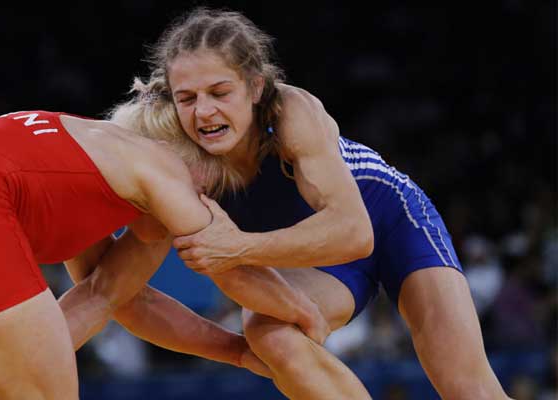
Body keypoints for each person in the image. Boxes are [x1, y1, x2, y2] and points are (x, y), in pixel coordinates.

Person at [122, 7, 510, 399]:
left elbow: (355, 234)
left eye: (220, 93)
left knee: (468, 388)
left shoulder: (290, 113)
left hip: (391, 222)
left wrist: (238, 247)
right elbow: (127, 291)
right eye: (186, 98)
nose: (204, 112)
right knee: (268, 332)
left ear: (256, 87)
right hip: (316, 259)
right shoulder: (175, 157)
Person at [0, 108, 332, 399]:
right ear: (191, 154)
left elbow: (111, 298)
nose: (206, 203)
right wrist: (307, 312)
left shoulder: (83, 164)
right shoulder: (161, 162)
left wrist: (235, 351)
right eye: (213, 186)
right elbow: (228, 264)